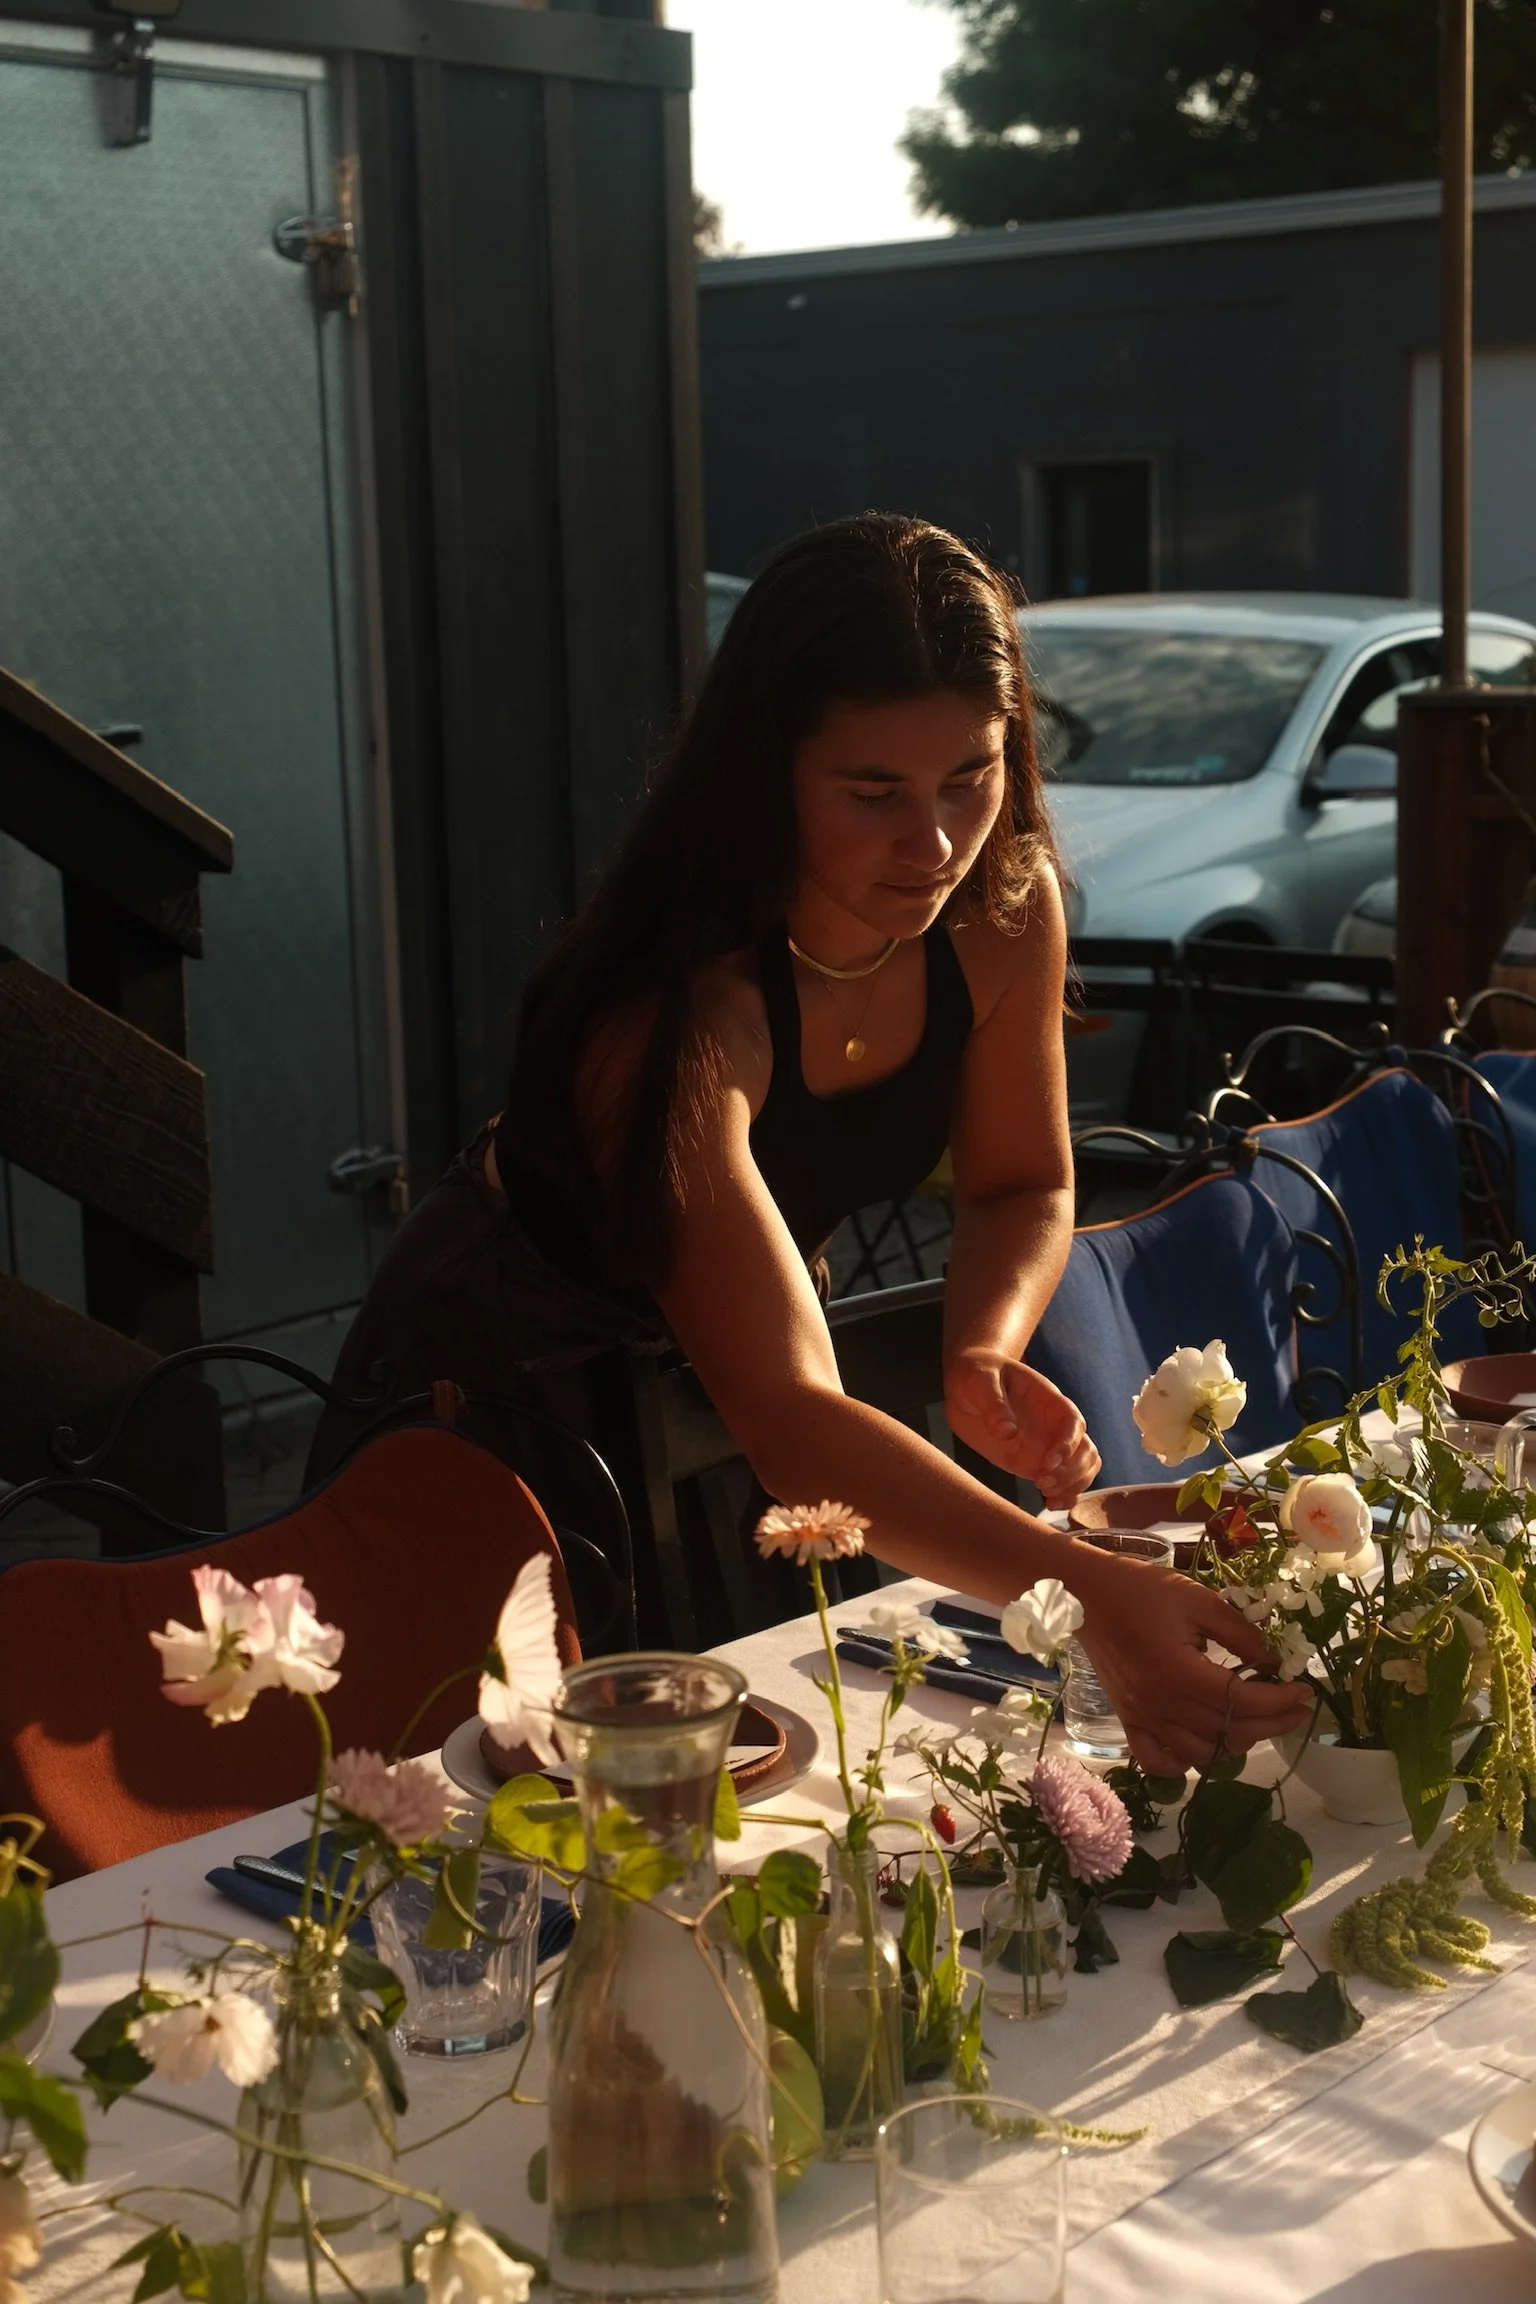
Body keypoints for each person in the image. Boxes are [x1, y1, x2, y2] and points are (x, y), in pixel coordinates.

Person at [309, 514, 1313, 1774]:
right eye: (873, 791)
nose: (936, 841)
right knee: (479, 1813)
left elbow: (1022, 1179)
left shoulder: (1001, 912)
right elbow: (791, 1412)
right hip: (500, 1405)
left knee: (768, 1777)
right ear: (765, 771)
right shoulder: (671, 1016)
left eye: (971, 775)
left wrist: (983, 1347)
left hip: (718, 1400)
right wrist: (1091, 1594)